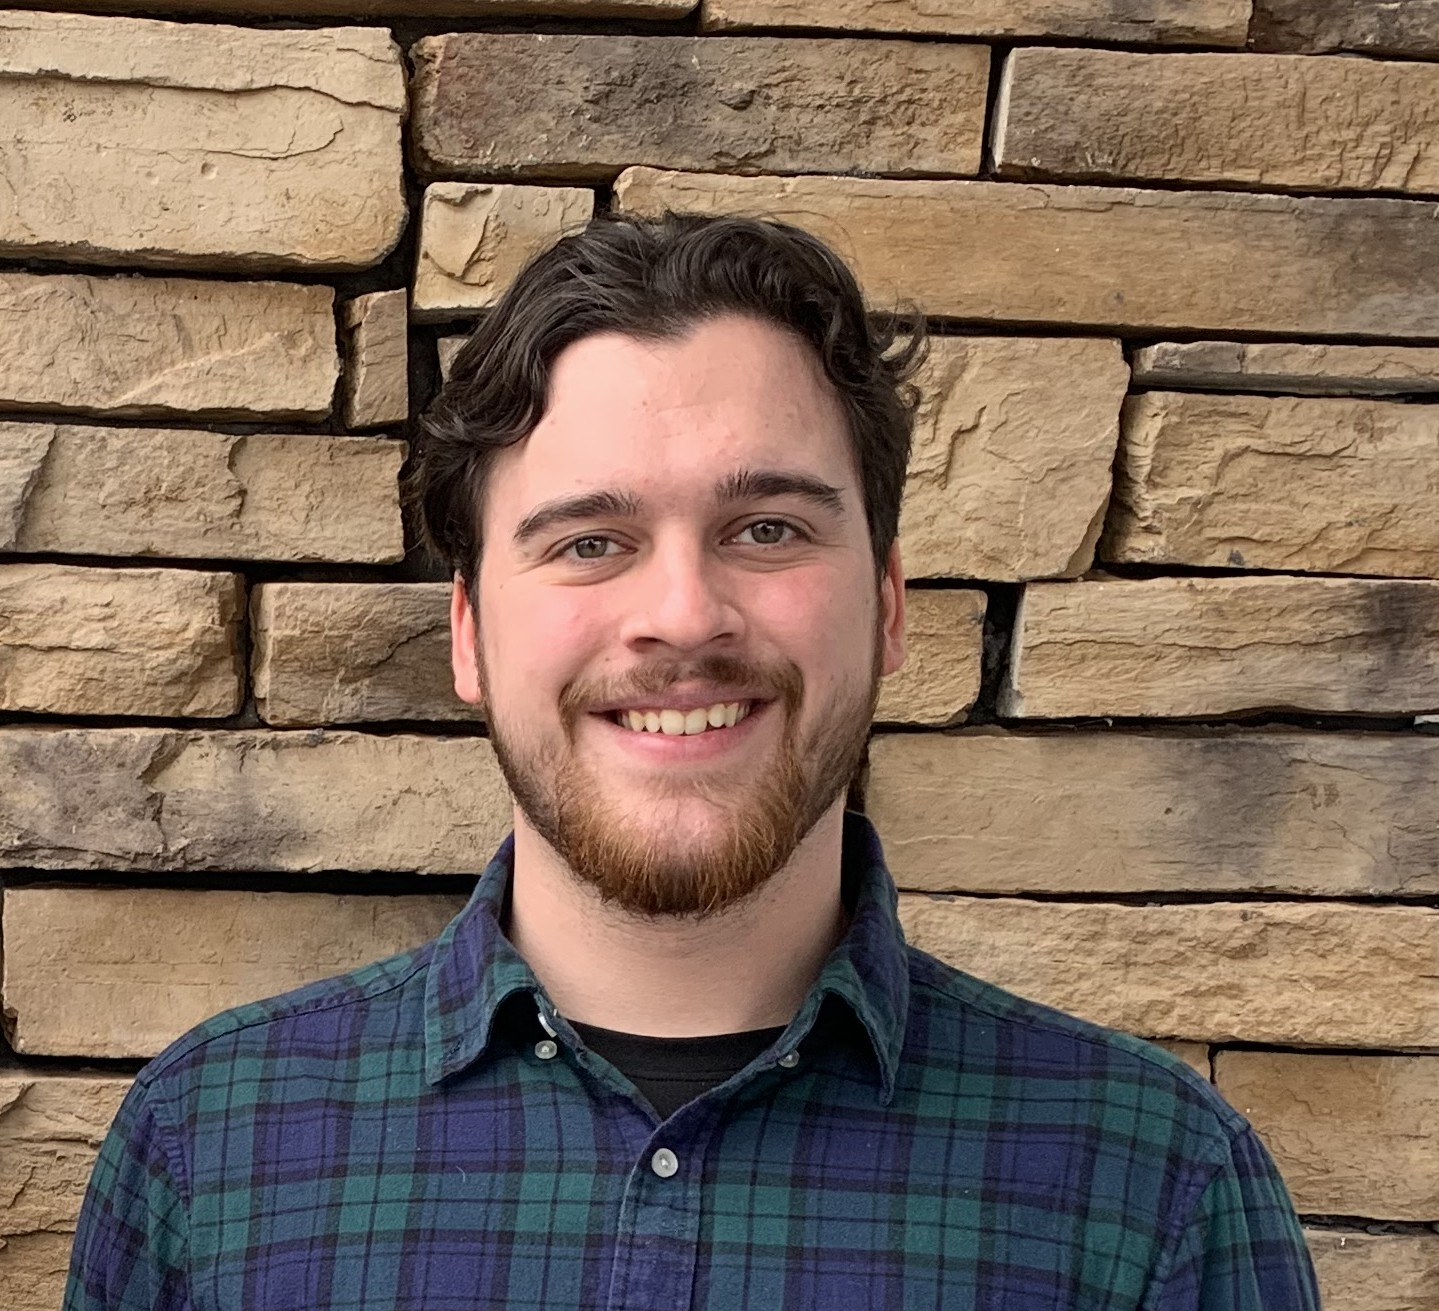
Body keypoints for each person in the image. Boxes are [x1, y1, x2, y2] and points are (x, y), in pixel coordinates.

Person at [66, 213, 1320, 1310]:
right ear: (468, 634)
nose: (682, 613)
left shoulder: (1157, 1184)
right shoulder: (209, 1148)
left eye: (765, 528)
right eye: (589, 541)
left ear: (887, 607)